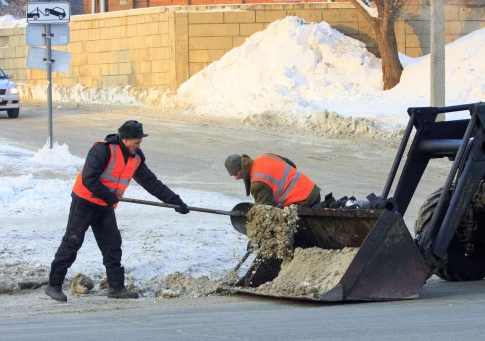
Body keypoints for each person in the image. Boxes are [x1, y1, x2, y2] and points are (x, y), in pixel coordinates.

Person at [45, 120, 190, 302]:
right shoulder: (102, 150)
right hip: (84, 202)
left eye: (140, 142)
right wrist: (109, 196)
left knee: (112, 245)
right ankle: (54, 285)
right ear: (125, 139)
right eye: (136, 142)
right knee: (72, 242)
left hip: (105, 205)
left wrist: (175, 201)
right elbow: (89, 178)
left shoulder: (136, 158)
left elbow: (151, 183)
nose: (138, 146)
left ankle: (116, 288)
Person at [224, 153, 320, 208]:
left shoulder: (257, 183)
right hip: (313, 191)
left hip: (304, 201)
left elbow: (264, 212)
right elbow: (291, 164)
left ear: (242, 168)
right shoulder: (264, 157)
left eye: (236, 174)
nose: (236, 178)